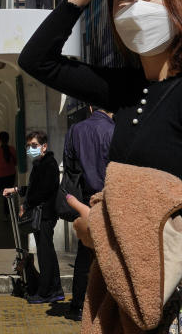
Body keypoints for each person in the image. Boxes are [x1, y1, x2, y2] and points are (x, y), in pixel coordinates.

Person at [18, 0, 182, 331]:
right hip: (130, 295)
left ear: (181, 1)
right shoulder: (125, 87)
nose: (137, 6)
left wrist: (106, 233)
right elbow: (37, 59)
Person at [61, 106, 114, 320]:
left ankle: (77, 305)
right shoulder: (116, 131)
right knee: (112, 252)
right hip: (111, 199)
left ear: (91, 107)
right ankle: (107, 305)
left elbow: (70, 164)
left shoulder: (76, 130)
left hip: (85, 199)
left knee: (84, 254)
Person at [2, 130, 63, 304]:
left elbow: (43, 191)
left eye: (34, 145)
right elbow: (33, 188)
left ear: (44, 146)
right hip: (42, 214)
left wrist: (26, 205)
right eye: (28, 146)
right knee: (46, 252)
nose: (31, 149)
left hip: (46, 214)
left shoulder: (49, 164)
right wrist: (16, 190)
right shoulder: (40, 164)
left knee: (45, 254)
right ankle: (55, 289)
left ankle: (46, 292)